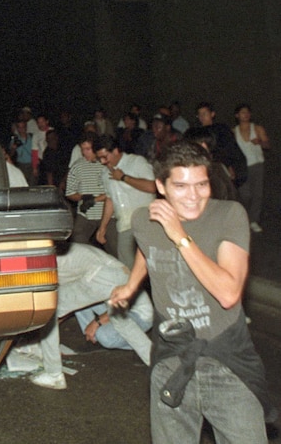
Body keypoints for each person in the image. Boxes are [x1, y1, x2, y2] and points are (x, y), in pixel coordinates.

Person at [110, 140, 276, 443]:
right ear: (161, 186)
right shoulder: (143, 220)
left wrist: (179, 235)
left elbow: (228, 293)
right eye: (181, 186)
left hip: (226, 362)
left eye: (201, 185)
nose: (193, 196)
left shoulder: (229, 215)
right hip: (171, 358)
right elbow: (147, 251)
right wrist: (132, 284)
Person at [30, 242, 152, 390]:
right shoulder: (49, 249)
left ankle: (54, 374)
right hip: (117, 272)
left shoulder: (37, 260)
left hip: (100, 275)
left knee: (50, 309)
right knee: (123, 324)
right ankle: (156, 361)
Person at [93, 135, 157, 268]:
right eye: (100, 158)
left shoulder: (137, 162)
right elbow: (110, 200)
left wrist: (124, 178)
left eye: (105, 157)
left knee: (152, 264)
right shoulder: (105, 173)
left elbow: (152, 187)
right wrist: (102, 227)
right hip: (124, 225)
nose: (103, 161)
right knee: (127, 266)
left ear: (115, 151)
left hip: (146, 222)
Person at [65, 132, 108, 249]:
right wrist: (83, 197)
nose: (85, 153)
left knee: (114, 247)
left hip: (106, 214)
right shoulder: (77, 166)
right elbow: (69, 193)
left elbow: (113, 191)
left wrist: (95, 199)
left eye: (88, 149)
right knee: (77, 244)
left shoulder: (105, 164)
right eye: (82, 149)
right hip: (85, 213)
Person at [233, 103, 270, 232]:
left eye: (247, 112)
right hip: (242, 167)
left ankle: (253, 220)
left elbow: (267, 145)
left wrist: (260, 142)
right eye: (242, 112)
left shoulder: (257, 128)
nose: (246, 114)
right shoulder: (234, 131)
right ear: (237, 115)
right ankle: (245, 217)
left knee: (257, 194)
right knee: (245, 194)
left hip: (257, 164)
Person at [196, 102, 248, 187]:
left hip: (222, 167)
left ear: (212, 114)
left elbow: (230, 148)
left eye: (204, 113)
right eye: (199, 114)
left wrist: (229, 165)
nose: (202, 117)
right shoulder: (196, 132)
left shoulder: (221, 129)